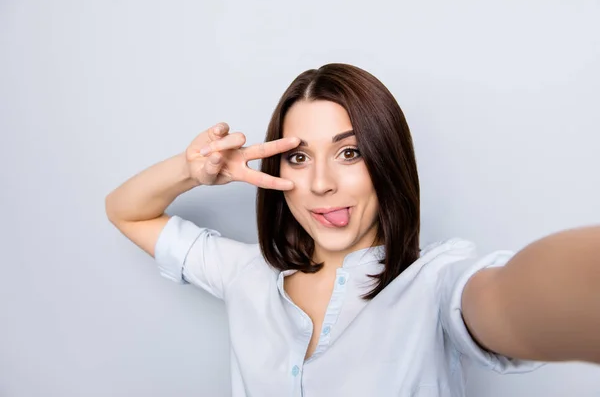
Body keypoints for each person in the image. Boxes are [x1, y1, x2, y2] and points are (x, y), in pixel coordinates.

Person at [105, 63, 600, 396]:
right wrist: (193, 171)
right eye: (299, 158)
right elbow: (127, 211)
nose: (321, 184)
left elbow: (511, 301)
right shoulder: (245, 273)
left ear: (386, 159)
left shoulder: (432, 281)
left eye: (350, 152)